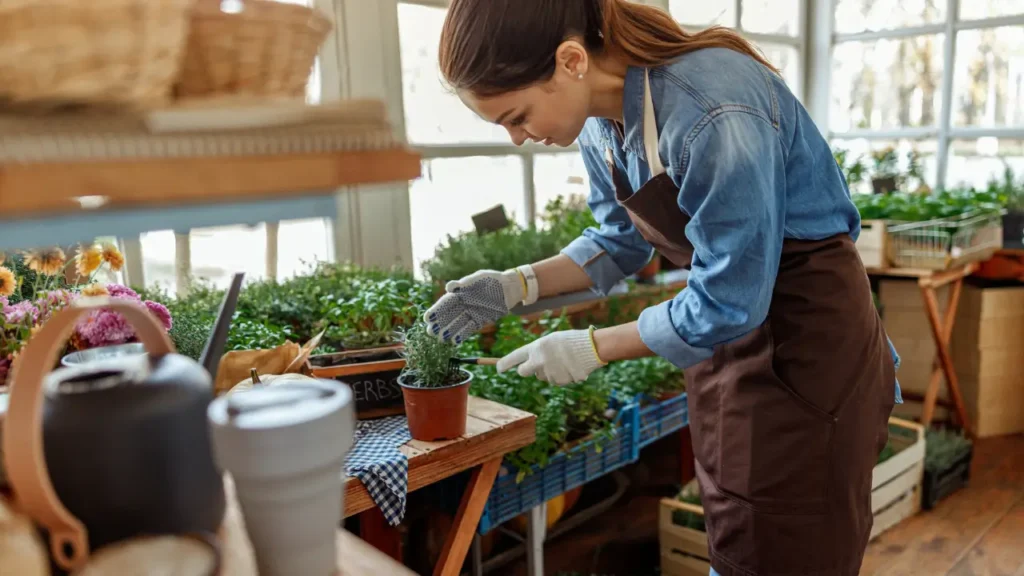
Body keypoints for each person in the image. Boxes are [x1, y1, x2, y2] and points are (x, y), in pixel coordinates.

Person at [424, 1, 903, 574]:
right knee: (740, 531)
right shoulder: (601, 125)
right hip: (728, 347)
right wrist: (514, 285)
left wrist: (592, 347)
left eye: (517, 116)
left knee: (790, 544)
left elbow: (729, 298)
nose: (518, 139)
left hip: (806, 343)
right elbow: (618, 241)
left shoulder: (712, 107)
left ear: (571, 61)